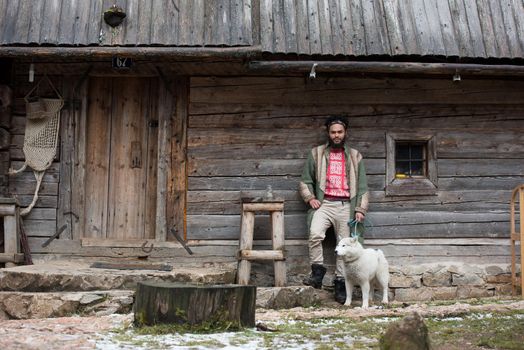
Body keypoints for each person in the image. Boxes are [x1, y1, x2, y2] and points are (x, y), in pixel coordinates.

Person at [298, 116, 369, 304]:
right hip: (325, 203)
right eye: (333, 132)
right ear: (328, 133)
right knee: (315, 234)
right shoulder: (316, 153)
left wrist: (360, 209)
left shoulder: (355, 156)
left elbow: (362, 186)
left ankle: (340, 284)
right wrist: (311, 198)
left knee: (343, 245)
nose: (336, 135)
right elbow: (305, 180)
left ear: (345, 133)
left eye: (340, 132)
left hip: (347, 205)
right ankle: (317, 273)